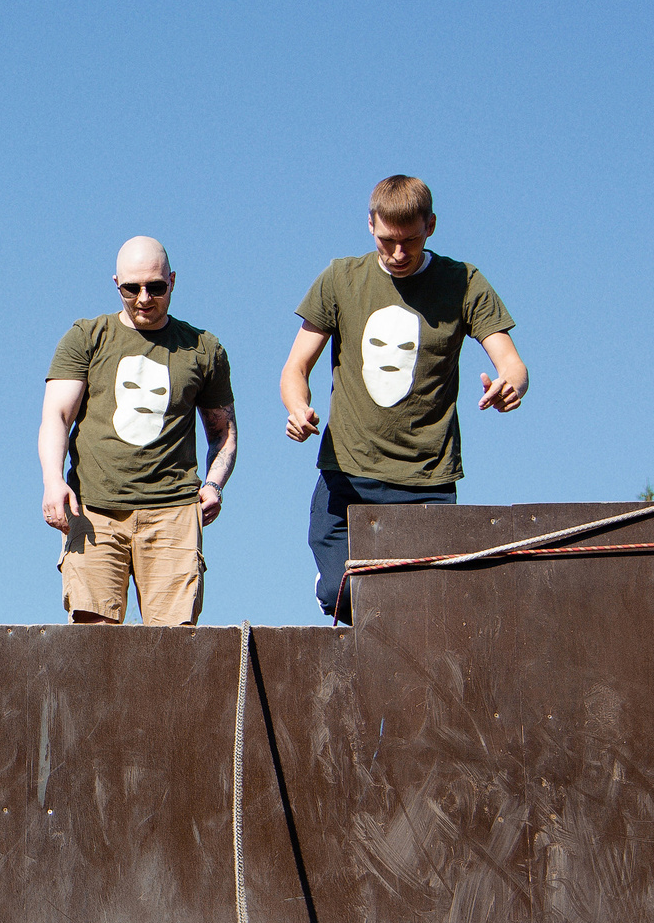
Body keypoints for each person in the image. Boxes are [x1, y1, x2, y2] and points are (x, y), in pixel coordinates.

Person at [280, 176, 528, 622]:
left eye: (409, 241)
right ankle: (331, 588)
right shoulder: (340, 278)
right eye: (387, 240)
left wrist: (510, 385)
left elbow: (511, 363)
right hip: (348, 475)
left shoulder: (463, 282)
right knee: (344, 593)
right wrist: (297, 408)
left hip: (426, 479)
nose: (398, 253)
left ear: (430, 226)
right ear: (370, 225)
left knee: (421, 612)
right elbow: (295, 368)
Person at [39, 236, 237, 625]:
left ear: (173, 281)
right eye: (132, 288)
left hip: (173, 512)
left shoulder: (202, 348)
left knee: (171, 651)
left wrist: (214, 484)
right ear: (116, 283)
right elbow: (56, 417)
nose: (144, 298)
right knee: (93, 647)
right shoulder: (86, 337)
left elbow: (223, 432)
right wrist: (51, 480)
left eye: (156, 287)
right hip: (94, 509)